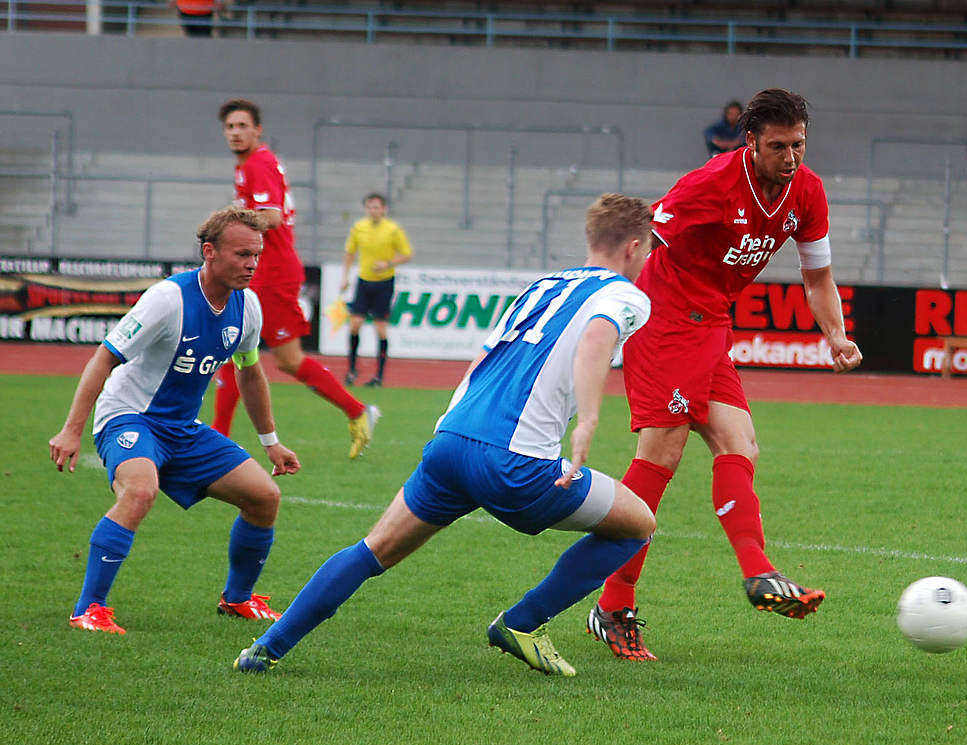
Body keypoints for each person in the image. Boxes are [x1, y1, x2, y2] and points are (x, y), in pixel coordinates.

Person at [232, 193, 657, 677]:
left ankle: (266, 648)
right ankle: (522, 623)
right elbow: (599, 337)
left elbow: (484, 358)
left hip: (451, 441)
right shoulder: (625, 295)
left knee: (373, 550)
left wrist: (450, 430)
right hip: (516, 463)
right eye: (647, 251)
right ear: (633, 247)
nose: (646, 261)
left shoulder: (543, 286)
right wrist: (589, 422)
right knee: (637, 524)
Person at [588, 88, 863, 662]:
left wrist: (835, 334)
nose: (791, 157)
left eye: (800, 145)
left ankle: (760, 575)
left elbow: (818, 276)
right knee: (660, 455)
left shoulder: (807, 192)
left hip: (711, 323)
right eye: (780, 146)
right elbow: (637, 244)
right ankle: (613, 604)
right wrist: (599, 308)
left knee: (741, 444)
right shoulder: (710, 183)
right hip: (661, 320)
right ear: (752, 142)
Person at [50, 207, 301, 635]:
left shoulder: (248, 306)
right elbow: (104, 357)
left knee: (264, 497)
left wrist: (271, 440)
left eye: (256, 254)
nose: (252, 263)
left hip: (182, 429)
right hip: (128, 417)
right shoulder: (168, 299)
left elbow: (250, 372)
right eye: (241, 253)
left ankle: (238, 598)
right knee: (140, 491)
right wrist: (72, 428)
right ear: (209, 252)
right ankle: (89, 608)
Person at [213, 98, 379, 459]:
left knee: (234, 348)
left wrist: (230, 218)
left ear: (257, 130)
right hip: (266, 271)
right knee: (282, 359)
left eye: (243, 126)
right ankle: (357, 410)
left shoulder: (259, 163)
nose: (236, 132)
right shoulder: (249, 165)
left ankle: (216, 439)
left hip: (271, 274)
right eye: (230, 127)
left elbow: (270, 217)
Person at [340, 192, 412, 387]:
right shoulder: (358, 228)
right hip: (364, 282)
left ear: (384, 209)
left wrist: (388, 263)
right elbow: (350, 252)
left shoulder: (393, 230)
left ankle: (379, 376)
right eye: (370, 207)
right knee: (355, 325)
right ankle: (352, 370)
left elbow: (406, 254)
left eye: (377, 207)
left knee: (380, 329)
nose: (373, 210)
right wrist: (345, 277)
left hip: (384, 283)